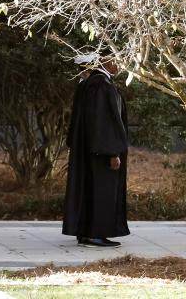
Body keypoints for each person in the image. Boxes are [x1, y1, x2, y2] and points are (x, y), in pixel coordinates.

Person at [62, 53, 130, 248]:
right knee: (101, 191)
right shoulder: (101, 86)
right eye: (116, 60)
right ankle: (95, 234)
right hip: (100, 152)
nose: (120, 65)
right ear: (105, 62)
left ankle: (85, 232)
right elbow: (103, 122)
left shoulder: (87, 85)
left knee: (88, 190)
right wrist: (112, 152)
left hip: (88, 150)